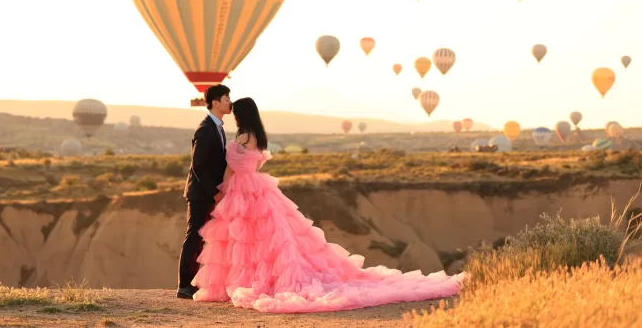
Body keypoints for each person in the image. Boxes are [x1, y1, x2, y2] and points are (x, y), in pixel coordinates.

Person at [190, 97, 465, 313]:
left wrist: (220, 192)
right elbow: (254, 162)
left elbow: (232, 169)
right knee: (266, 238)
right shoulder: (258, 137)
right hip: (259, 188)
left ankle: (242, 281)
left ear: (240, 115)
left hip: (242, 189)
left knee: (243, 239)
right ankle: (254, 280)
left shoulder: (242, 138)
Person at [176, 84, 232, 300]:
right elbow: (198, 165)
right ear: (215, 103)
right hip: (201, 194)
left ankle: (194, 283)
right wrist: (213, 193)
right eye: (226, 98)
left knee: (201, 238)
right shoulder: (205, 128)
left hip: (207, 192)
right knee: (194, 237)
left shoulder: (217, 127)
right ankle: (184, 286)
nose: (230, 101)